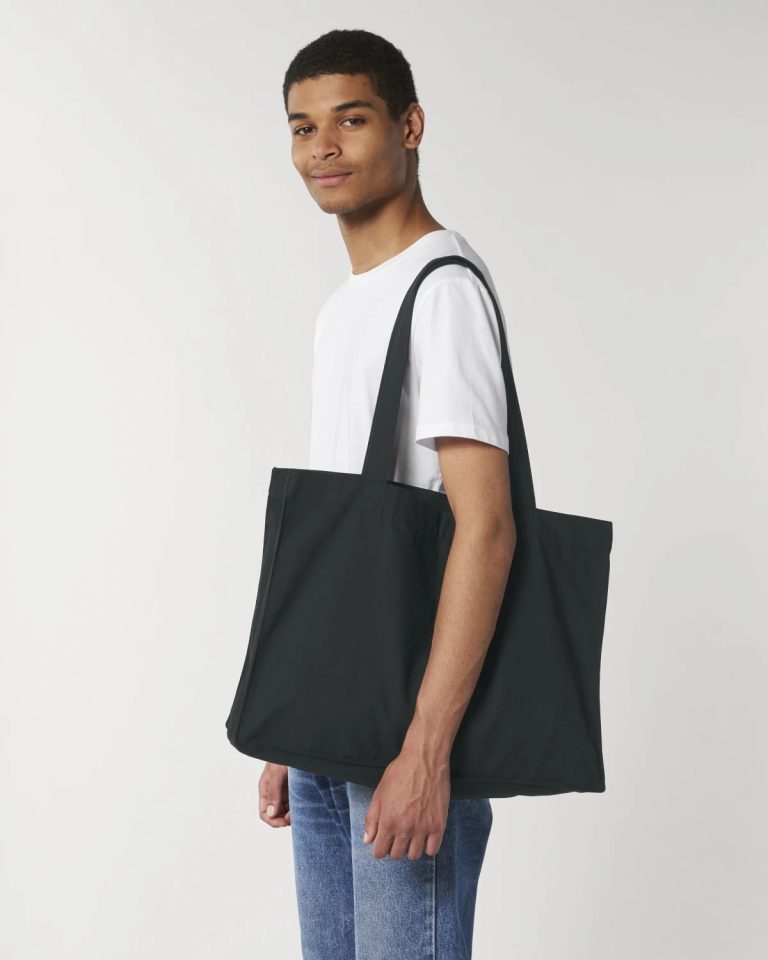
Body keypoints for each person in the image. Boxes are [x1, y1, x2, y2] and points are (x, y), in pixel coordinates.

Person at [258, 28, 516, 960]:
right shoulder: (346, 309)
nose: (321, 147)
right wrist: (294, 720)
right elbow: (343, 540)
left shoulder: (441, 289)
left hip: (405, 735)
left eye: (351, 119)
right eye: (303, 127)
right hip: (335, 722)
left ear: (409, 127)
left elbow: (487, 527)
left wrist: (429, 750)